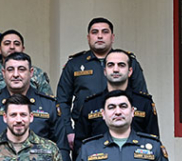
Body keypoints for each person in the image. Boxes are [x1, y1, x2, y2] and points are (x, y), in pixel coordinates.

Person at [0, 52, 70, 161]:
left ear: (31, 73)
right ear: (3, 73)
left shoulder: (48, 105)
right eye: (10, 70)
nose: (16, 75)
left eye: (21, 69)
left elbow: (61, 148)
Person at [57, 17, 147, 149]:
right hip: (86, 130)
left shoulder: (128, 62)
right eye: (95, 32)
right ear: (88, 37)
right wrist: (68, 131)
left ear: (112, 37)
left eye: (105, 32)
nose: (100, 36)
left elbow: (141, 96)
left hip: (125, 129)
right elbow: (62, 101)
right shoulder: (74, 64)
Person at [74, 49, 158, 152]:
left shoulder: (144, 103)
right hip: (98, 160)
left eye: (121, 65)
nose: (116, 69)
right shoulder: (90, 104)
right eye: (110, 65)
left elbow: (153, 143)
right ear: (105, 71)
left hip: (137, 160)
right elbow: (80, 147)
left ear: (130, 71)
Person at [0, 30, 53, 98]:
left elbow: (47, 103)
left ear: (23, 49)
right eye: (7, 43)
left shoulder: (38, 74)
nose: (12, 47)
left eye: (17, 44)